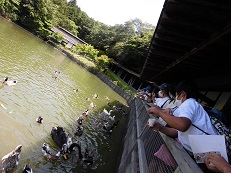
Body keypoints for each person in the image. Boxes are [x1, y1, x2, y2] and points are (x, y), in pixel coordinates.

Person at [147, 80, 217, 154]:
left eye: (177, 95)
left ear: (183, 94)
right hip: (205, 150)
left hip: (209, 150)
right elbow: (178, 132)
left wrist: (159, 112)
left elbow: (182, 126)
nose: (176, 98)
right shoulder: (190, 105)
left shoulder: (188, 103)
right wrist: (160, 127)